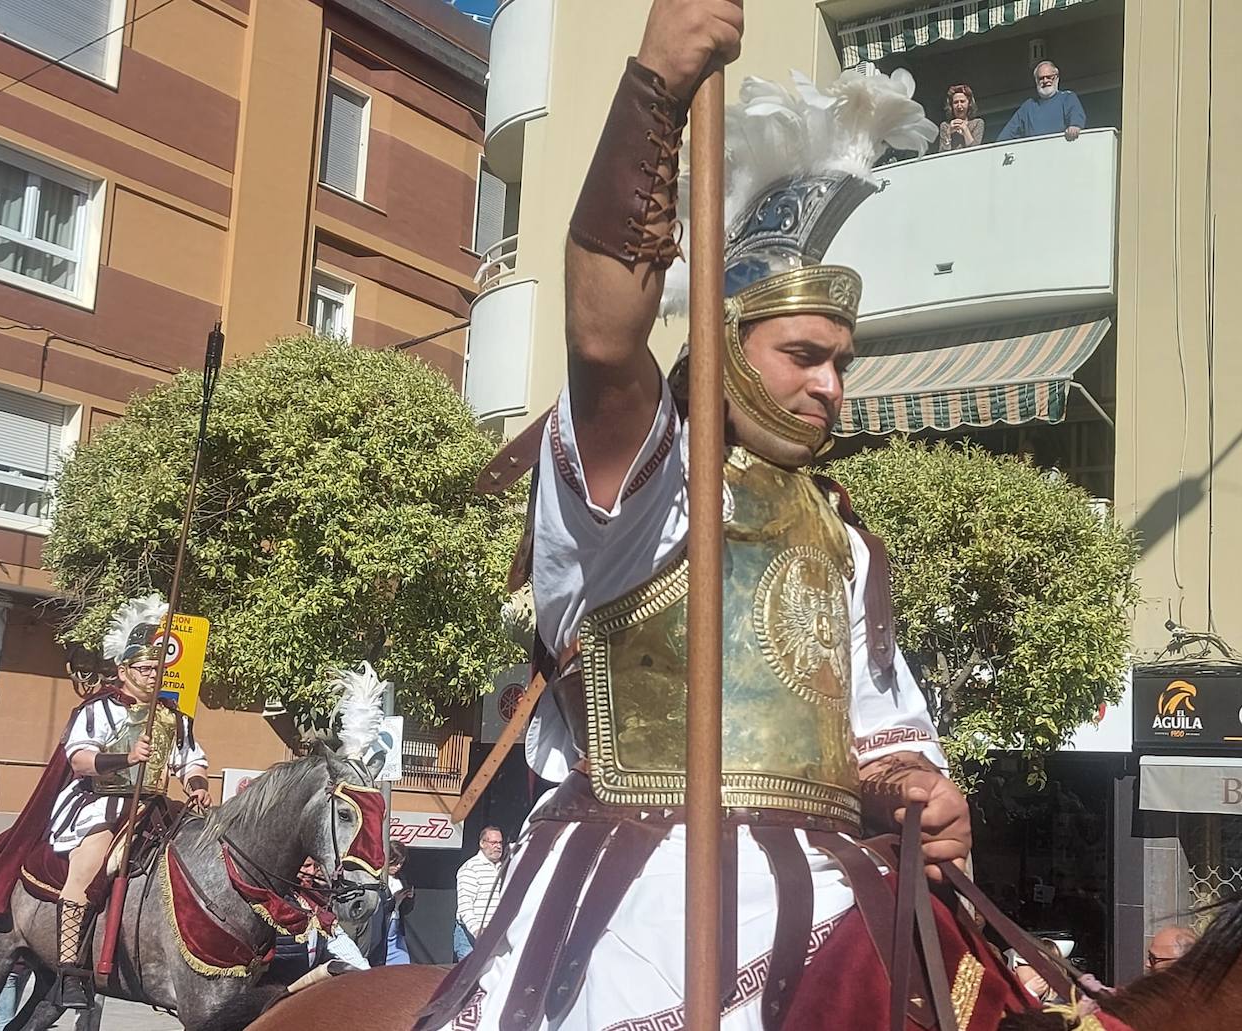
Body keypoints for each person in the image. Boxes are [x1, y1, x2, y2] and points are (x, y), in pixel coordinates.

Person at [412, 4, 1004, 1029]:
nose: (832, 386)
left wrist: (916, 789)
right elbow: (603, 335)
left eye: (842, 363)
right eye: (805, 355)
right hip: (641, 878)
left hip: (826, 879)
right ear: (728, 345)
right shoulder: (641, 479)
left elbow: (873, 730)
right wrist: (658, 82)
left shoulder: (844, 535)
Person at [44, 595, 210, 1009]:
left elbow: (191, 758)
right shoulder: (100, 708)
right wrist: (126, 757)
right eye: (144, 668)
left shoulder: (174, 715)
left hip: (155, 806)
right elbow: (80, 758)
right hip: (102, 801)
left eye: (158, 668)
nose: (153, 675)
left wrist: (197, 782)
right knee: (90, 864)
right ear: (124, 670)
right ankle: (69, 971)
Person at [268, 857, 371, 989]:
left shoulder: (316, 898)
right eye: (303, 866)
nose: (307, 871)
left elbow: (334, 937)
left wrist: (365, 971)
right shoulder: (273, 901)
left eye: (310, 866)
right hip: (274, 987)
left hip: (303, 986)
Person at [996, 60, 1086, 141]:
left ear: (1056, 78)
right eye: (1041, 78)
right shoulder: (1028, 107)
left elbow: (1076, 118)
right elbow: (1006, 136)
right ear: (1036, 81)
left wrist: (1075, 126)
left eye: (1049, 77)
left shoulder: (1067, 97)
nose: (1045, 81)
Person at [453, 826, 503, 962]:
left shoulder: (503, 868)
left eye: (500, 843)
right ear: (482, 843)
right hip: (470, 937)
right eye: (493, 843)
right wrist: (477, 931)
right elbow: (465, 906)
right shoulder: (470, 868)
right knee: (468, 980)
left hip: (495, 936)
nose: (498, 846)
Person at [381, 842, 414, 966]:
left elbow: (406, 909)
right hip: (382, 930)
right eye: (395, 863)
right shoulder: (378, 879)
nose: (398, 866)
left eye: (401, 863)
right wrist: (394, 900)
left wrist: (409, 898)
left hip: (396, 928)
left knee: (403, 965)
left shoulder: (401, 878)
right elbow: (377, 908)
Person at [935, 83, 984, 151]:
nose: (959, 106)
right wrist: (948, 134)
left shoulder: (977, 123)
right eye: (956, 102)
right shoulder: (945, 126)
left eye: (962, 101)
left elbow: (975, 150)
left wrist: (965, 130)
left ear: (969, 103)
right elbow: (942, 152)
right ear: (951, 106)